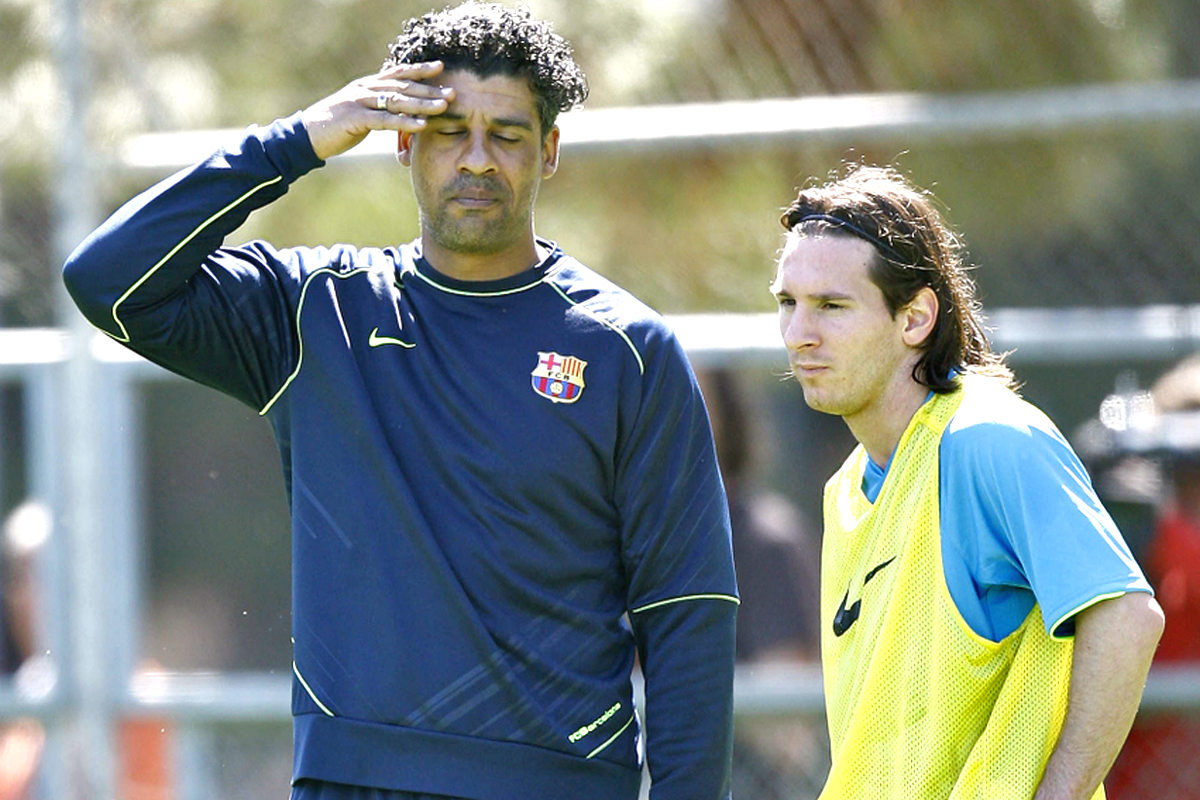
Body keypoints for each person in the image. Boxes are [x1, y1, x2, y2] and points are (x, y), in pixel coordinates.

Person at [61, 4, 739, 799]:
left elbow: (688, 608)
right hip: (353, 779)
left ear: (549, 152)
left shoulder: (628, 348)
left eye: (508, 135)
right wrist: (299, 140)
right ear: (402, 140)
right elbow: (107, 279)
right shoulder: (315, 311)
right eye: (451, 131)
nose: (478, 160)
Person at [768, 164, 1164, 799]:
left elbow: (1127, 617)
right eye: (788, 303)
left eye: (831, 306)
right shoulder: (844, 488)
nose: (798, 335)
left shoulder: (989, 438)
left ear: (916, 317)